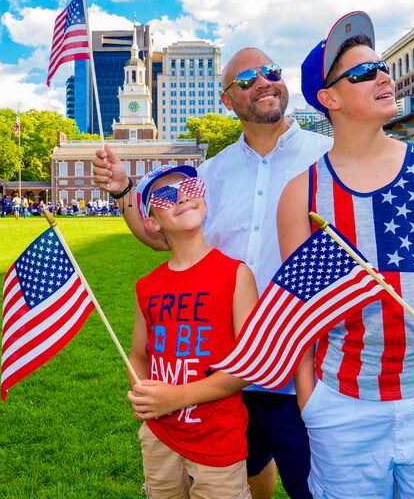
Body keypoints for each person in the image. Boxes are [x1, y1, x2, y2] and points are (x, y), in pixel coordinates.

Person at [97, 46, 331, 499]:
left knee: (312, 483)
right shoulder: (208, 175)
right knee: (242, 469)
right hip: (220, 369)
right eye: (246, 80)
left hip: (303, 363)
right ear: (227, 100)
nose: (262, 82)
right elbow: (168, 236)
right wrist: (127, 190)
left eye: (270, 72)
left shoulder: (327, 157)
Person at [277, 11, 414, 497]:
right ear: (329, 99)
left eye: (383, 65)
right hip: (343, 407)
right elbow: (298, 313)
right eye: (362, 72)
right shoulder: (300, 194)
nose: (384, 76)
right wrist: (313, 402)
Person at [127, 165, 258, 499]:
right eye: (166, 196)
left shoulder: (235, 274)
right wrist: (145, 395)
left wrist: (176, 397)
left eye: (190, 187)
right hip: (161, 436)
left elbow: (248, 366)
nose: (182, 196)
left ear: (205, 202)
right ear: (152, 222)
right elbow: (139, 355)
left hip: (218, 438)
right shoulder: (147, 286)